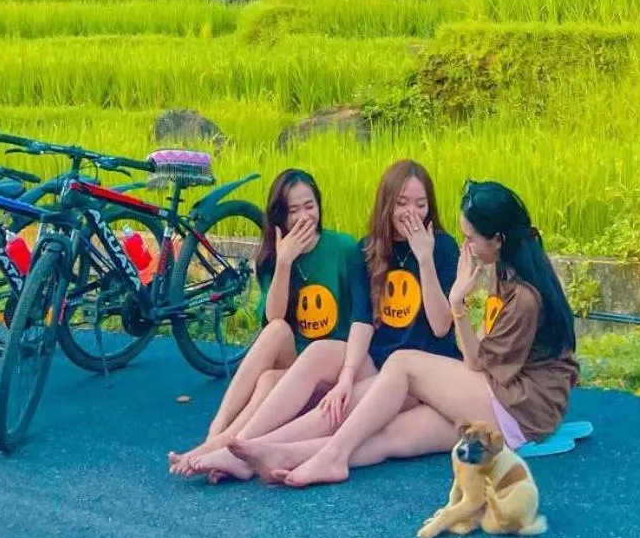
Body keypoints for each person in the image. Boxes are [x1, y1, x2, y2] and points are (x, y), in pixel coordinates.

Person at [242, 180, 578, 487]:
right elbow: (482, 349)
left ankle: (330, 457)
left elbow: (476, 361)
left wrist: (457, 302)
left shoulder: (524, 298)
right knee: (390, 436)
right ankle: (281, 452)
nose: (467, 245)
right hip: (507, 399)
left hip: (519, 409)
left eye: (471, 238)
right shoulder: (506, 270)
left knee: (404, 363)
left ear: (498, 240)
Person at [220, 160, 459, 475]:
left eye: (420, 204)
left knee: (336, 410)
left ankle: (247, 454)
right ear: (386, 204)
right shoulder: (368, 249)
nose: (410, 212)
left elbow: (442, 326)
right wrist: (346, 376)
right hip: (377, 361)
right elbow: (361, 321)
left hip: (420, 372)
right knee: (321, 355)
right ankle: (233, 443)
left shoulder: (442, 247)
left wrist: (425, 260)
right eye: (401, 203)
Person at [167, 168, 369, 478]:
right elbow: (274, 318)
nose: (304, 216)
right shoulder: (275, 256)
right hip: (296, 367)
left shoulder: (343, 248)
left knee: (272, 378)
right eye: (293, 210)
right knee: (273, 346)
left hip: (334, 362)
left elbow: (362, 318)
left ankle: (224, 446)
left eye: (309, 206)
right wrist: (285, 261)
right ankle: (221, 435)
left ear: (319, 206)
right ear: (280, 217)